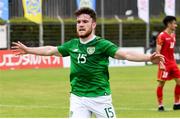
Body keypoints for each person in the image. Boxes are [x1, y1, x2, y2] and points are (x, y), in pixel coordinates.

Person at [12, 7, 164, 118]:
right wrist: (29, 50)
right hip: (78, 98)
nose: (81, 24)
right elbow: (50, 50)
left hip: (100, 98)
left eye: (85, 21)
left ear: (94, 24)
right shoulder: (72, 45)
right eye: (78, 21)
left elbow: (124, 54)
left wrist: (148, 57)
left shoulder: (102, 44)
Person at [156, 16, 180, 111]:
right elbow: (158, 51)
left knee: (179, 82)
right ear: (169, 24)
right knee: (161, 84)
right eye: (174, 23)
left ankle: (177, 103)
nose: (176, 25)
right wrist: (161, 63)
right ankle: (160, 105)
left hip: (173, 63)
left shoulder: (173, 35)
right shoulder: (162, 36)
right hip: (164, 64)